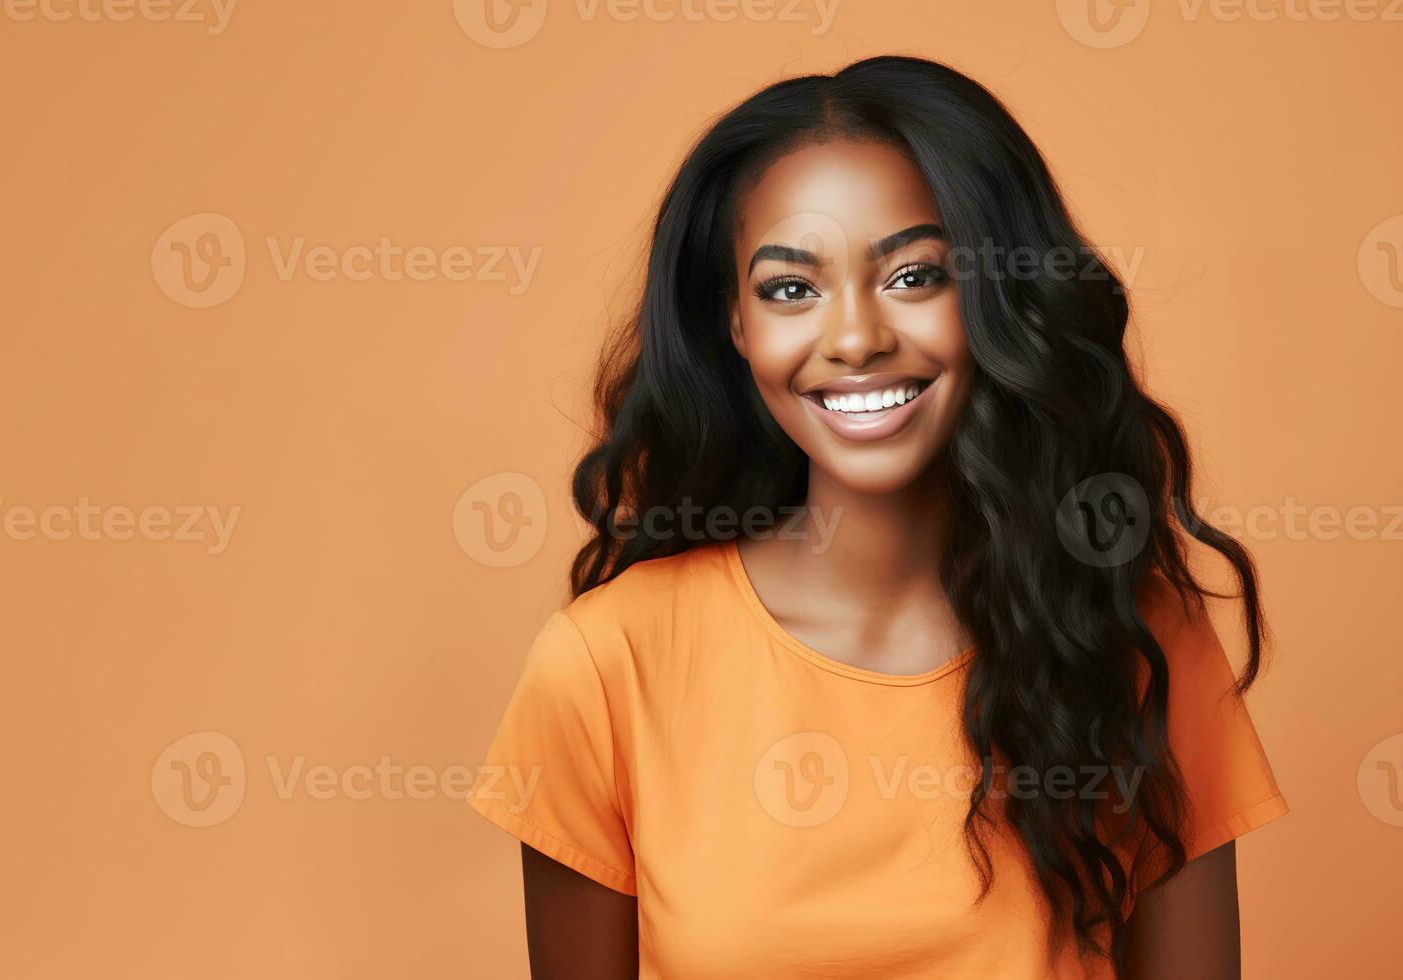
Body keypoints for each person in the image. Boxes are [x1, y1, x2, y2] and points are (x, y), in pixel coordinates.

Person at [470, 55, 1286, 979]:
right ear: (735, 324)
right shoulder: (604, 666)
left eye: (912, 276)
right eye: (790, 289)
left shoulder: (1133, 640)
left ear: (995, 297)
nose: (855, 337)